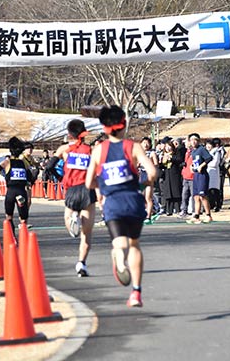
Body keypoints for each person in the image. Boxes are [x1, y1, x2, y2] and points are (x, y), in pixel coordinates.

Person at [85, 105, 157, 307]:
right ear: (123, 124)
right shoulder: (134, 147)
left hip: (113, 202)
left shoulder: (99, 150)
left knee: (121, 244)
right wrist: (143, 183)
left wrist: (105, 185)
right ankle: (136, 291)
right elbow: (152, 172)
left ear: (104, 127)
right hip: (133, 201)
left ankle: (119, 259)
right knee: (134, 244)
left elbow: (89, 182)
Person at [47, 119, 97, 277]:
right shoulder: (91, 150)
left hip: (71, 190)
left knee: (69, 223)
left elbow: (49, 167)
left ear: (69, 134)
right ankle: (81, 263)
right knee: (87, 234)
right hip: (88, 190)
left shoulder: (64, 149)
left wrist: (61, 178)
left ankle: (73, 219)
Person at [0, 137, 29, 236]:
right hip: (22, 190)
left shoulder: (7, 162)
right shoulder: (23, 163)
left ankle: (12, 238)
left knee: (9, 216)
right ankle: (24, 238)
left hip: (11, 191)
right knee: (23, 219)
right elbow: (30, 176)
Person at [186, 133, 213, 224]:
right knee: (196, 196)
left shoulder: (202, 149)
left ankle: (208, 215)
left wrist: (202, 166)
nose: (193, 142)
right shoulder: (193, 151)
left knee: (203, 195)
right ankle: (196, 215)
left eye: (196, 140)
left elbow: (209, 158)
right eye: (192, 140)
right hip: (196, 175)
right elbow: (195, 161)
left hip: (202, 175)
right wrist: (192, 166)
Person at [159, 140, 183, 216]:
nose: (168, 148)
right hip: (166, 175)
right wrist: (162, 162)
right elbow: (161, 166)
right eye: (166, 147)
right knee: (168, 192)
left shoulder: (176, 153)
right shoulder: (163, 155)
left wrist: (171, 158)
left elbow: (179, 160)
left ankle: (178, 209)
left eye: (169, 146)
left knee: (176, 191)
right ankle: (169, 210)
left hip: (174, 174)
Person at [139, 137, 159, 223]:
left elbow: (156, 164)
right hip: (141, 176)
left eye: (147, 143)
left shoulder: (152, 153)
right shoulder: (139, 154)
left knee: (148, 197)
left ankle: (148, 216)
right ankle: (149, 212)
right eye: (144, 143)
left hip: (148, 176)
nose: (146, 145)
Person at [178, 137, 194, 218]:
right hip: (185, 176)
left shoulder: (194, 152)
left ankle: (195, 211)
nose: (185, 143)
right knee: (184, 194)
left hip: (192, 176)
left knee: (193, 194)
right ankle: (184, 210)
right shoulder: (186, 152)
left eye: (187, 142)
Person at [205, 140, 222, 212]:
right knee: (208, 191)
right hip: (207, 172)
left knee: (215, 190)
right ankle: (211, 205)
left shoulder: (216, 152)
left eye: (209, 145)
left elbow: (215, 163)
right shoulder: (206, 152)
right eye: (207, 145)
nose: (208, 146)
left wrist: (206, 164)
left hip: (214, 173)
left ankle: (218, 205)